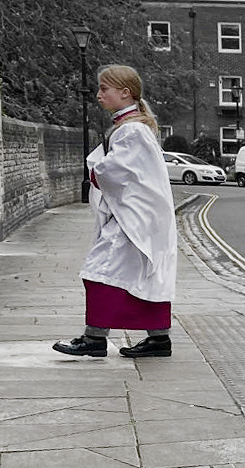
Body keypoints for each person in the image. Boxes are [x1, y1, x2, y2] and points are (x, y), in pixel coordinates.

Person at [53, 65, 177, 358]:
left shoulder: (132, 130)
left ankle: (94, 339)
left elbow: (116, 170)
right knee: (144, 275)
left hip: (131, 219)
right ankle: (158, 340)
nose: (98, 95)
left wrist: (95, 170)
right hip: (138, 216)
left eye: (104, 89)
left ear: (125, 92)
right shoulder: (131, 127)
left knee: (100, 270)